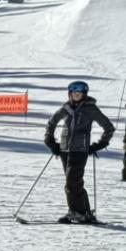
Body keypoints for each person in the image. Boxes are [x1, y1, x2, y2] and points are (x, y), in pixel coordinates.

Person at [45, 80, 114, 224]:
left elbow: (109, 127)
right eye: (74, 93)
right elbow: (51, 123)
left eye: (79, 93)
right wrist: (50, 141)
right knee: (74, 183)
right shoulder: (66, 108)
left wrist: (100, 144)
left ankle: (77, 213)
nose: (76, 95)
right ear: (70, 94)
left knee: (72, 182)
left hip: (80, 150)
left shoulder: (91, 109)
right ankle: (83, 212)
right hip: (64, 150)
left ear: (84, 94)